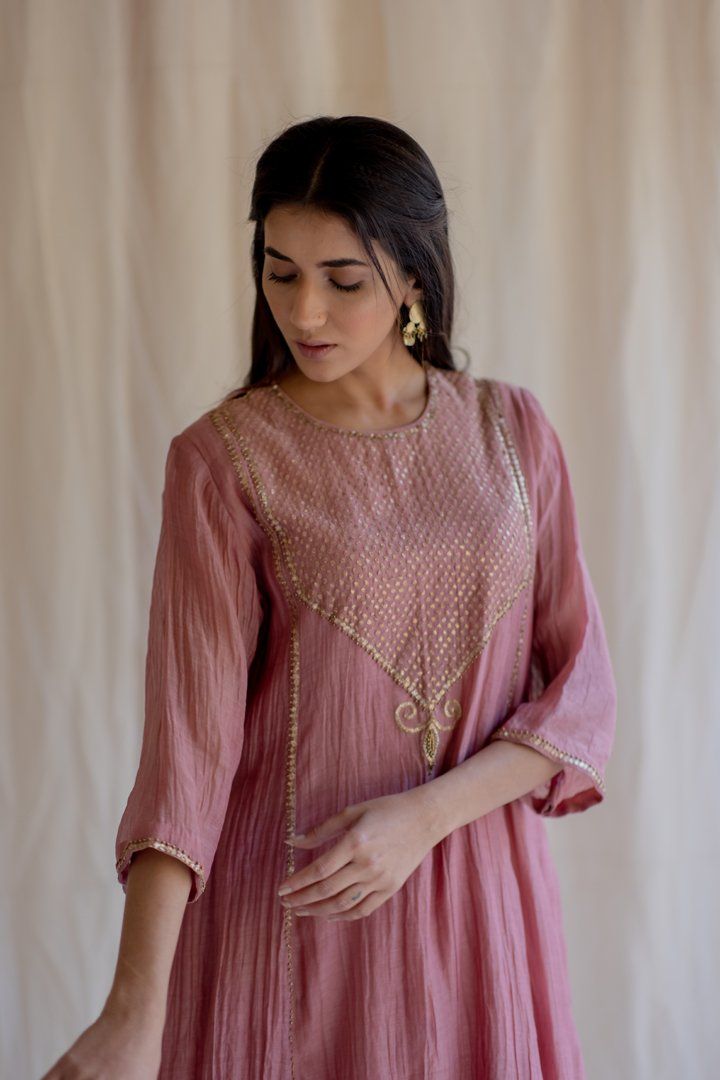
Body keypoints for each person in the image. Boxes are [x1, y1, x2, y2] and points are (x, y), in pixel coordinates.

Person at [41, 115, 617, 1080]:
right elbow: (188, 753)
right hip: (293, 922)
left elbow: (582, 696)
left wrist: (425, 817)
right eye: (280, 272)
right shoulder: (224, 462)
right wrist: (135, 1010)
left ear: (414, 277)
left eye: (343, 281)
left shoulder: (514, 434)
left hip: (485, 910)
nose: (303, 311)